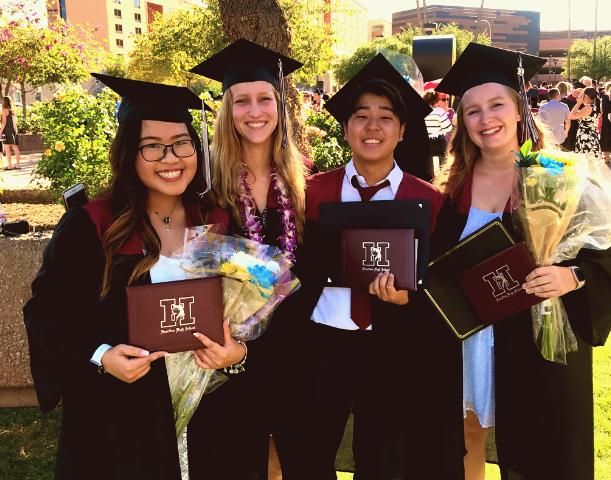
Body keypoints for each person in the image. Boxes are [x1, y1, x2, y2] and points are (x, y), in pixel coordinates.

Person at [434, 42, 611, 480]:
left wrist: (573, 276)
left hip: (537, 337)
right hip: (470, 337)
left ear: (519, 107)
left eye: (496, 105)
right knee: (463, 435)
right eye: (472, 110)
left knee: (539, 449)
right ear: (461, 120)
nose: (485, 119)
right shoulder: (452, 188)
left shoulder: (556, 175)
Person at [22, 75, 234, 479]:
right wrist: (102, 356)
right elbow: (45, 314)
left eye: (182, 143)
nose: (170, 158)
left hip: (207, 411)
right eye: (152, 146)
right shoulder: (93, 225)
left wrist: (235, 353)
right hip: (119, 418)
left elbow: (240, 315)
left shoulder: (215, 220)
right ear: (129, 154)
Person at [296, 54, 463, 480]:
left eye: (386, 117)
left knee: (383, 459)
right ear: (346, 126)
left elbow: (440, 283)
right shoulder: (312, 193)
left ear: (403, 130)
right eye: (361, 116)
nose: (373, 127)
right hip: (321, 346)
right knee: (309, 454)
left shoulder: (428, 200)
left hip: (391, 348)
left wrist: (411, 297)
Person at [187, 39, 308, 480]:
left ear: (280, 106)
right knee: (234, 461)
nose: (254, 111)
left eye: (264, 99)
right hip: (229, 357)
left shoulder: (298, 183)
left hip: (295, 352)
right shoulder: (204, 184)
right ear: (227, 108)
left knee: (299, 458)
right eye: (242, 101)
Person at [423, 88, 454, 170]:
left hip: (426, 141)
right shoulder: (439, 111)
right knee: (443, 163)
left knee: (427, 165)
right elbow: (448, 128)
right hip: (439, 141)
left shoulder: (422, 110)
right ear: (436, 100)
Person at [571, 87, 602, 156]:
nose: (580, 96)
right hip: (590, 136)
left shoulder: (588, 108)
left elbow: (571, 116)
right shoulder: (594, 106)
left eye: (582, 95)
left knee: (586, 162)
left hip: (586, 137)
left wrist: (578, 103)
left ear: (586, 96)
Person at [1, 96, 21, 170]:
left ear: (5, 102)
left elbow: (4, 122)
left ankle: (10, 166)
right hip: (14, 130)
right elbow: (16, 122)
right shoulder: (13, 110)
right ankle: (18, 165)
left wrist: (0, 132)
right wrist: (15, 130)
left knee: (7, 149)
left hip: (7, 131)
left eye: (3, 101)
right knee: (15, 148)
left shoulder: (4, 110)